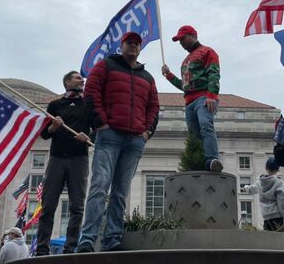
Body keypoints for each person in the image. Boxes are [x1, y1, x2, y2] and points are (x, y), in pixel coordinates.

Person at [77, 31, 160, 253]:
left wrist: (147, 132)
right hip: (109, 135)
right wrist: (101, 123)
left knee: (121, 191)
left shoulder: (148, 78)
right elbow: (91, 93)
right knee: (99, 186)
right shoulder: (105, 66)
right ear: (121, 45)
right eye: (129, 43)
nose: (133, 46)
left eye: (136, 44)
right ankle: (88, 239)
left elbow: (154, 107)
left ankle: (112, 238)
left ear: (140, 48)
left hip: (135, 140)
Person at [35, 71, 92, 256]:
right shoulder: (55, 105)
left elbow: (98, 128)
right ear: (67, 82)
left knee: (77, 206)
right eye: (77, 78)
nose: (81, 80)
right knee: (48, 205)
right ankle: (42, 248)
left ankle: (70, 248)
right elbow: (44, 134)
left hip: (79, 159)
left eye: (81, 79)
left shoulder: (88, 104)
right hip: (57, 158)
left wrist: (88, 136)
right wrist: (53, 127)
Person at [161, 25, 222, 172]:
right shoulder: (185, 61)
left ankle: (212, 159)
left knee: (206, 124)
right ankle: (199, 161)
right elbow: (184, 85)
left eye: (183, 38)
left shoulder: (207, 51)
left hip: (203, 97)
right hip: (189, 102)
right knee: (194, 135)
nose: (181, 42)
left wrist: (212, 95)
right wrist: (168, 75)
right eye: (179, 40)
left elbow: (214, 73)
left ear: (193, 35)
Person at [241, 157, 284, 232]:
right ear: (278, 170)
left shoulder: (259, 182)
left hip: (266, 216)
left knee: (268, 240)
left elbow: (252, 189)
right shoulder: (279, 183)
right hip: (277, 216)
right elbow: (282, 201)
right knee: (277, 240)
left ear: (266, 168)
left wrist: (245, 187)